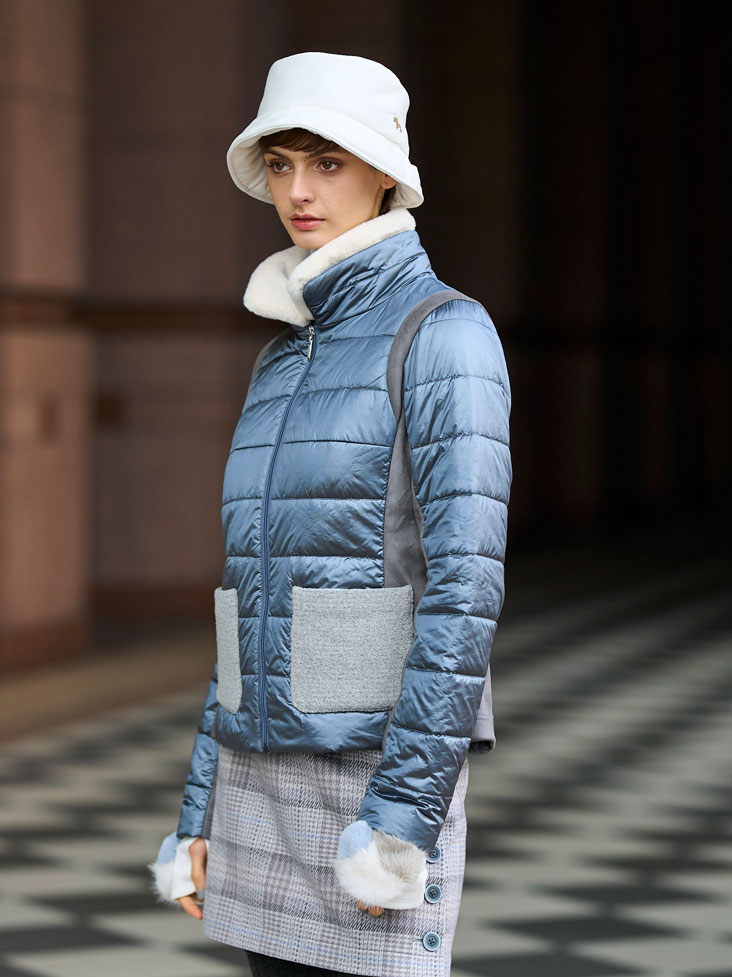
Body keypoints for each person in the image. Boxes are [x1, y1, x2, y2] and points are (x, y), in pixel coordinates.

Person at [149, 51, 512, 977]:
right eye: (280, 164)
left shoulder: (445, 331)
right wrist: (200, 809)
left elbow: (465, 590)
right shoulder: (281, 356)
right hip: (258, 781)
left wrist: (402, 816)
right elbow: (246, 599)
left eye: (328, 161)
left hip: (371, 777)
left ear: (384, 171)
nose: (299, 191)